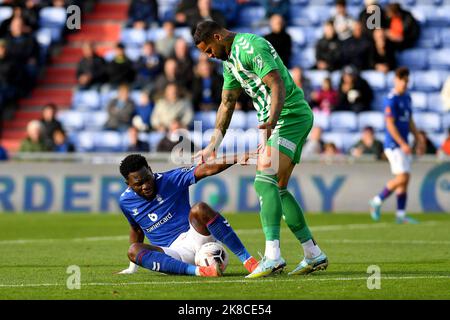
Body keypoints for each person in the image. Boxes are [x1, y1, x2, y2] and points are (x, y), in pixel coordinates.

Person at [193, 20, 328, 278]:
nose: (208, 56)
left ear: (218, 37)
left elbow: (276, 82)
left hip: (288, 116)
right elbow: (227, 102)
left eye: (208, 49)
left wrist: (272, 121)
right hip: (281, 120)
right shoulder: (229, 61)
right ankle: (313, 253)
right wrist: (212, 144)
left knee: (263, 177)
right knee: (278, 186)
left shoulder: (249, 46)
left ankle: (273, 256)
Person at [116, 153, 259, 277]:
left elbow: (206, 169)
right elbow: (136, 230)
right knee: (133, 250)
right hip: (172, 254)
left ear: (150, 170)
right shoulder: (125, 202)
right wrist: (132, 267)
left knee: (199, 208)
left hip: (197, 238)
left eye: (147, 178)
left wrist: (237, 157)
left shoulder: (171, 179)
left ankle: (250, 262)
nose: (146, 186)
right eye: (138, 184)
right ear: (128, 184)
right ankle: (200, 271)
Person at [369, 67, 420, 224]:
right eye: (402, 81)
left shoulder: (407, 98)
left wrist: (418, 138)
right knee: (403, 177)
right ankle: (377, 200)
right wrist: (403, 143)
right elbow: (390, 124)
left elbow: (409, 120)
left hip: (403, 144)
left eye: (406, 81)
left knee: (405, 178)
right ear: (395, 80)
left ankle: (400, 214)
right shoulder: (391, 99)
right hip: (393, 144)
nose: (405, 84)